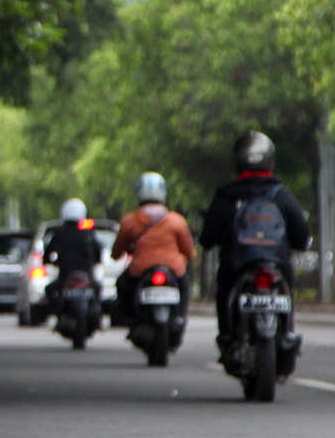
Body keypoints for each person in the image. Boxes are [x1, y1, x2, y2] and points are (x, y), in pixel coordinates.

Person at [199, 131, 311, 347]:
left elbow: (208, 236)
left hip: (237, 263)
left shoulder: (227, 196)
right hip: (277, 262)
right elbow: (301, 235)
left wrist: (211, 240)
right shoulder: (281, 195)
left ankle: (228, 336)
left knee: (224, 289)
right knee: (286, 288)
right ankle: (287, 331)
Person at [111, 171, 195, 324]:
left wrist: (117, 254)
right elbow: (188, 250)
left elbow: (117, 251)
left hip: (140, 268)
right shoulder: (176, 221)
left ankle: (128, 317)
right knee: (185, 286)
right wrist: (189, 256)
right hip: (173, 268)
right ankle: (180, 317)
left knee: (122, 284)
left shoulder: (130, 221)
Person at [42, 197, 102, 325]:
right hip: (85, 275)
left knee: (50, 290)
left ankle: (56, 314)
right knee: (97, 288)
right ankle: (97, 317)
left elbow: (47, 254)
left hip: (67, 275)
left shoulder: (59, 233)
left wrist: (48, 261)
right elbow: (98, 251)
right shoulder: (88, 234)